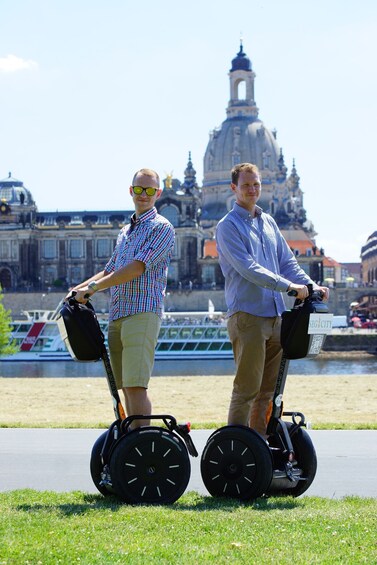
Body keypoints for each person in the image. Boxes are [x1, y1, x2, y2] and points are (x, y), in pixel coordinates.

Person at [216, 163, 329, 438]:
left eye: (256, 184)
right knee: (246, 389)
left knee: (268, 390)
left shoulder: (268, 222)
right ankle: (236, 447)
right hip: (248, 316)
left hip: (276, 316)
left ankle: (259, 446)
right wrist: (290, 287)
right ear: (233, 189)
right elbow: (248, 268)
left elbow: (286, 262)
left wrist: (310, 285)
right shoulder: (227, 226)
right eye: (246, 185)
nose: (252, 189)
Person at [70, 168, 175, 428]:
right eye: (139, 189)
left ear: (157, 194)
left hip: (142, 312)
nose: (143, 195)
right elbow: (110, 270)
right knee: (125, 387)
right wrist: (76, 289)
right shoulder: (126, 230)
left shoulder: (162, 227)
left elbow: (138, 267)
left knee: (136, 385)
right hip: (118, 314)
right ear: (131, 191)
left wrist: (92, 288)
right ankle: (133, 440)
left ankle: (143, 444)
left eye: (149, 190)